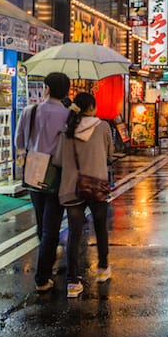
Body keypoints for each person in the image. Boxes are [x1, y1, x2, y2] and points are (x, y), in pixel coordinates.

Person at [49, 92, 114, 298]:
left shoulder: (66, 130)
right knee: (100, 227)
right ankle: (103, 268)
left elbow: (57, 160)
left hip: (72, 186)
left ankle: (72, 282)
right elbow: (110, 156)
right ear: (93, 107)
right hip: (96, 185)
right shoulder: (103, 127)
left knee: (74, 234)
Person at [15, 72, 71, 292]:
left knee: (41, 222)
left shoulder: (31, 111)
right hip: (58, 173)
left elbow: (19, 141)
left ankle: (46, 263)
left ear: (46, 88)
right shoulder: (68, 116)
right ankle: (42, 276)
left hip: (34, 171)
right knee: (52, 226)